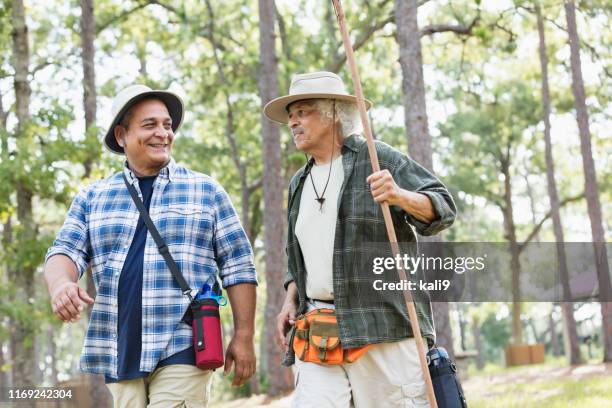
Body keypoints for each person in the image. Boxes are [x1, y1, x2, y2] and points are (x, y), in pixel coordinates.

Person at [44, 84, 257, 407]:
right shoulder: (92, 198)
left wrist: (243, 336)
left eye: (167, 125)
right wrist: (61, 285)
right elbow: (64, 250)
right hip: (120, 351)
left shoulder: (206, 191)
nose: (163, 133)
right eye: (150, 125)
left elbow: (238, 264)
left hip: (184, 343)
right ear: (121, 136)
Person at [265, 72, 456, 407]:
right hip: (318, 328)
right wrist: (289, 299)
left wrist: (400, 196)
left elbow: (442, 210)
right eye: (291, 116)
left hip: (383, 326)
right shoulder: (299, 182)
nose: (293, 122)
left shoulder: (378, 157)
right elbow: (300, 255)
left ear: (334, 113)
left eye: (303, 112)